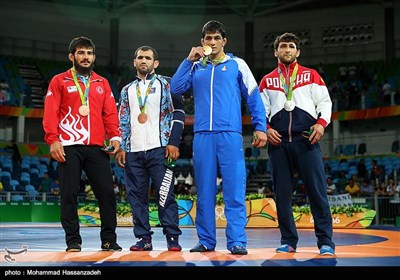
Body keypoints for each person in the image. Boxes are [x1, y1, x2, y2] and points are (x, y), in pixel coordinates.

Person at [170, 20, 267, 255]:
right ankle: (206, 240)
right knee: (204, 191)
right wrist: (187, 60)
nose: (212, 43)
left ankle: (237, 241)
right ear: (202, 42)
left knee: (234, 189)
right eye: (207, 39)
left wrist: (260, 126)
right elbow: (175, 88)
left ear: (224, 41)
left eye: (216, 38)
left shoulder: (237, 64)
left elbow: (253, 96)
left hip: (230, 134)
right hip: (202, 135)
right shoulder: (196, 67)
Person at [42, 36, 122, 252]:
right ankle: (73, 241)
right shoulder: (59, 81)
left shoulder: (102, 83)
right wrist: (53, 139)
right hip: (68, 145)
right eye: (81, 53)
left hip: (96, 146)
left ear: (94, 57)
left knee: (106, 192)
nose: (85, 57)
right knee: (69, 193)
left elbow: (110, 113)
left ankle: (108, 239)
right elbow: (50, 112)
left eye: (89, 53)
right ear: (72, 56)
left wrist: (115, 136)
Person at [259, 32, 335, 255]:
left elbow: (325, 102)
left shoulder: (311, 75)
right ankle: (289, 240)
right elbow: (259, 112)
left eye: (291, 46)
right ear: (276, 52)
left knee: (317, 193)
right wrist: (266, 128)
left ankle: (325, 242)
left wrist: (321, 124)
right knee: (282, 196)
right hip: (279, 144)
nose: (287, 50)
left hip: (306, 141)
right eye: (283, 46)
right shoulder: (267, 80)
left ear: (298, 52)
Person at [116, 46, 185, 252]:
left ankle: (172, 237)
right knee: (136, 196)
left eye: (148, 58)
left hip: (160, 149)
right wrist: (122, 147)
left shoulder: (168, 84)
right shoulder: (127, 89)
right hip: (134, 151)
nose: (143, 61)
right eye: (140, 57)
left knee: (165, 194)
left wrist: (173, 142)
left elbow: (179, 113)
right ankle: (143, 238)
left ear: (155, 63)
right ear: (134, 62)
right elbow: (123, 121)